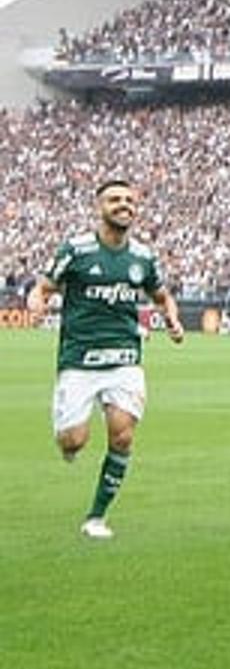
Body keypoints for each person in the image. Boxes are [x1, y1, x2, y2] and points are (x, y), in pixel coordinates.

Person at [26, 179, 185, 539]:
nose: (124, 205)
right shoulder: (77, 250)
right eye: (115, 200)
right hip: (79, 360)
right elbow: (44, 286)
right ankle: (70, 438)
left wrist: (172, 318)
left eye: (129, 200)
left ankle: (96, 517)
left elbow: (162, 296)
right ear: (99, 207)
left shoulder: (142, 256)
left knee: (123, 436)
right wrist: (37, 304)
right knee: (73, 441)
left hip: (124, 359)